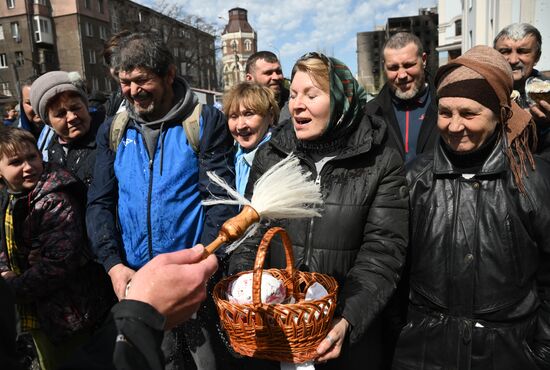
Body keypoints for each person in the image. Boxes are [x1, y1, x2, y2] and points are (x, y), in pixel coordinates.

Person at [229, 52, 409, 370]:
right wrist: (245, 294)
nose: (297, 104)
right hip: (275, 330)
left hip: (339, 337)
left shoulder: (380, 160)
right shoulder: (273, 155)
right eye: (294, 94)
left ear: (340, 100)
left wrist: (348, 317)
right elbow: (250, 235)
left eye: (312, 95)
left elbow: (383, 253)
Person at [392, 45, 550, 370]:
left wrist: (541, 353)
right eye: (445, 112)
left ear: (499, 113)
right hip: (423, 356)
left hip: (509, 355)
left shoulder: (533, 181)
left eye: (468, 114)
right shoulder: (414, 181)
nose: (453, 126)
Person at [86, 31, 236, 369]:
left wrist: (203, 264)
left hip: (195, 282)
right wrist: (112, 264)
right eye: (125, 82)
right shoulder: (114, 129)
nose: (132, 91)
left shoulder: (203, 122)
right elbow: (100, 202)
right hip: (138, 282)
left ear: (169, 74)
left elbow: (219, 200)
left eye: (142, 80)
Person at [0, 127, 111, 370]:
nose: (28, 166)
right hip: (36, 312)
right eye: (16, 162)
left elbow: (57, 265)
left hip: (67, 314)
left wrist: (9, 289)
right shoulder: (9, 197)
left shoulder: (54, 200)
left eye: (33, 157)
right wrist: (5, 269)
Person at [366, 32, 439, 163]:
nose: (401, 75)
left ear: (423, 60)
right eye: (393, 68)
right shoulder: (370, 113)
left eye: (408, 65)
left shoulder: (445, 106)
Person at [30, 71, 104, 187]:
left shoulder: (107, 139)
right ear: (48, 121)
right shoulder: (51, 151)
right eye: (60, 114)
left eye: (75, 108)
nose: (72, 117)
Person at [494, 23, 550, 156]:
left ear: (536, 57)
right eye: (505, 51)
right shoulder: (483, 89)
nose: (513, 60)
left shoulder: (547, 93)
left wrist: (545, 127)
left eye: (523, 51)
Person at [223, 82, 280, 195]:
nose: (240, 126)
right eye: (233, 116)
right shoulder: (230, 156)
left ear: (270, 116)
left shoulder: (279, 159)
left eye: (249, 114)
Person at [245, 51, 290, 123]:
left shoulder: (294, 104)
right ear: (250, 79)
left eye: (278, 72)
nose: (276, 77)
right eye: (268, 73)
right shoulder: (240, 108)